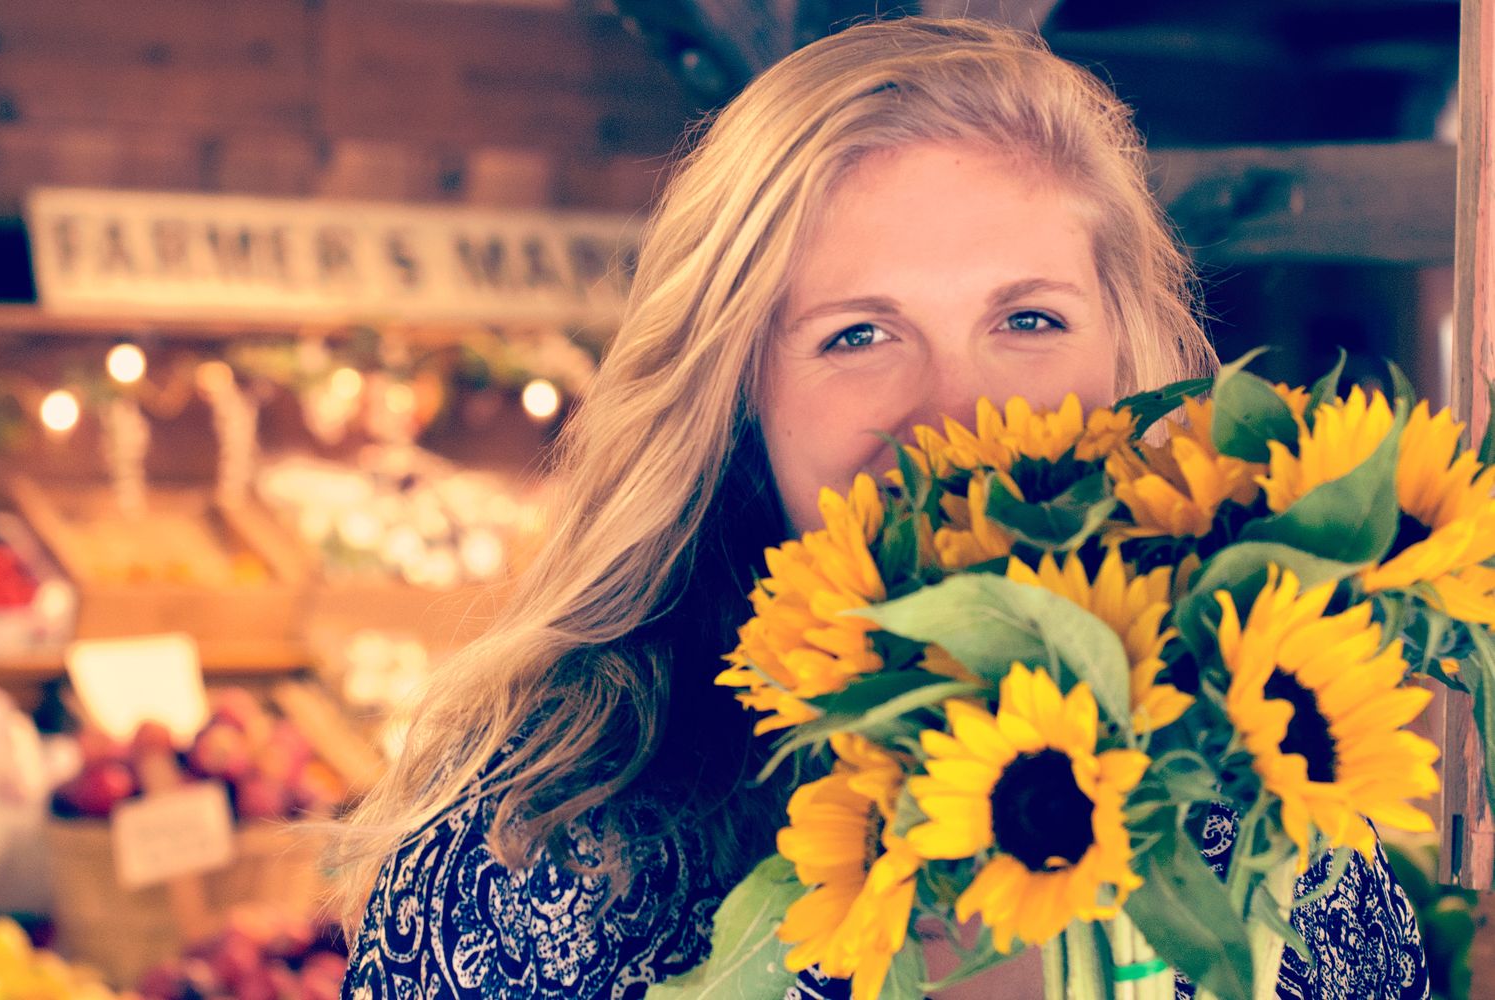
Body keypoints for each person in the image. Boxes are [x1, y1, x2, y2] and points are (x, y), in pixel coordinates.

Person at [332, 17, 1428, 1000]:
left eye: (1030, 320)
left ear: (1130, 359)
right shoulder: (544, 840)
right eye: (857, 335)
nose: (962, 415)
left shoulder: (1268, 792)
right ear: (740, 398)